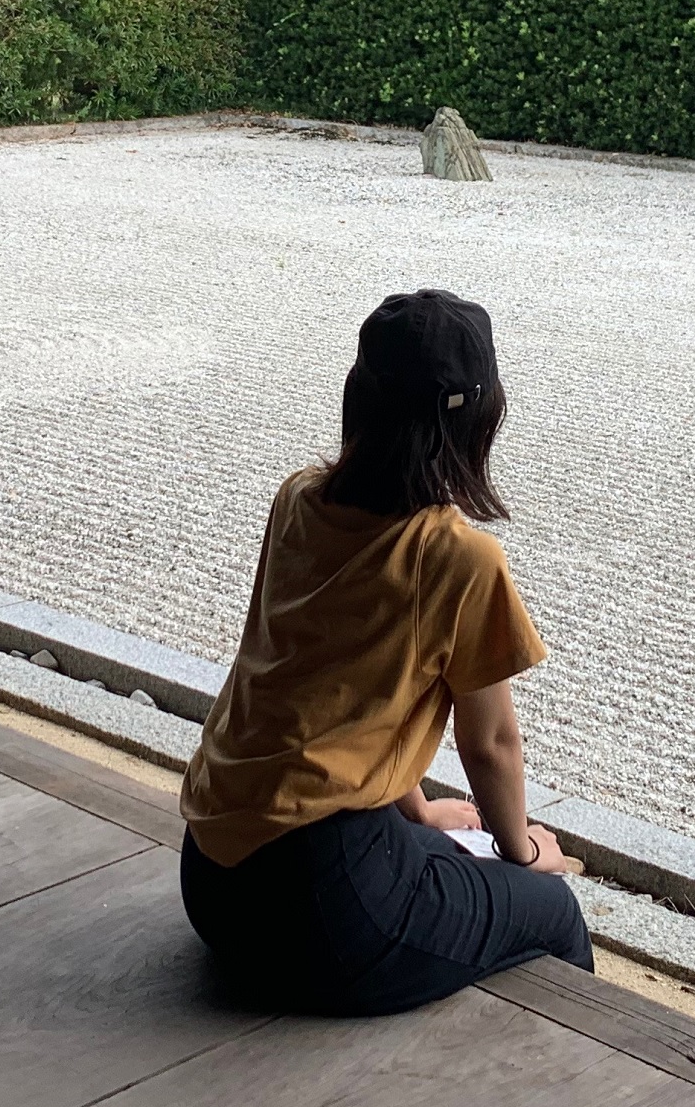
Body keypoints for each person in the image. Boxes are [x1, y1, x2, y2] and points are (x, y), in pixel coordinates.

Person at [176, 288, 590, 1015]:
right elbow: (491, 742)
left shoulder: (298, 498)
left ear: (358, 398)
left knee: (440, 850)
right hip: (325, 916)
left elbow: (331, 688)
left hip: (214, 881)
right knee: (551, 909)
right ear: (477, 423)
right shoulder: (456, 556)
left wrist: (422, 811)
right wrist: (525, 854)